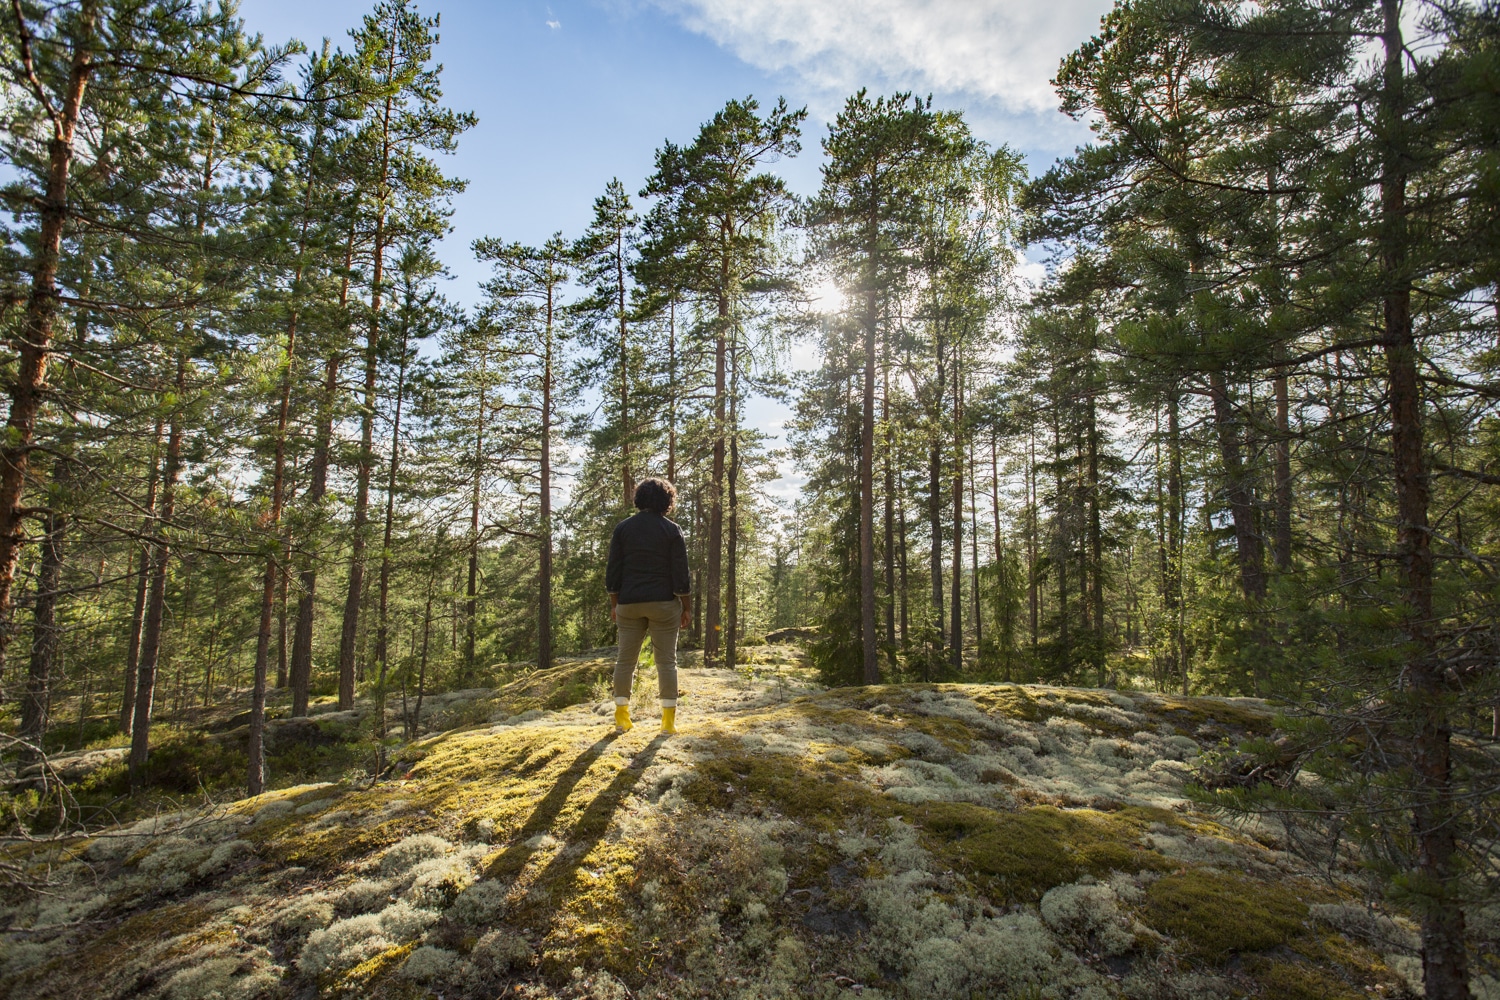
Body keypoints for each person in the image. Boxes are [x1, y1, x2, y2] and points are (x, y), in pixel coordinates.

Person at [605, 477, 691, 733]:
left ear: (639, 498)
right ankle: (667, 723)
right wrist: (686, 607)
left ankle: (621, 716)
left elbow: (613, 571)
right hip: (664, 604)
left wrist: (614, 603)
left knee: (625, 661)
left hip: (629, 604)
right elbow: (681, 574)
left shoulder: (623, 529)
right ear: (667, 501)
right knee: (666, 662)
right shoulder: (672, 530)